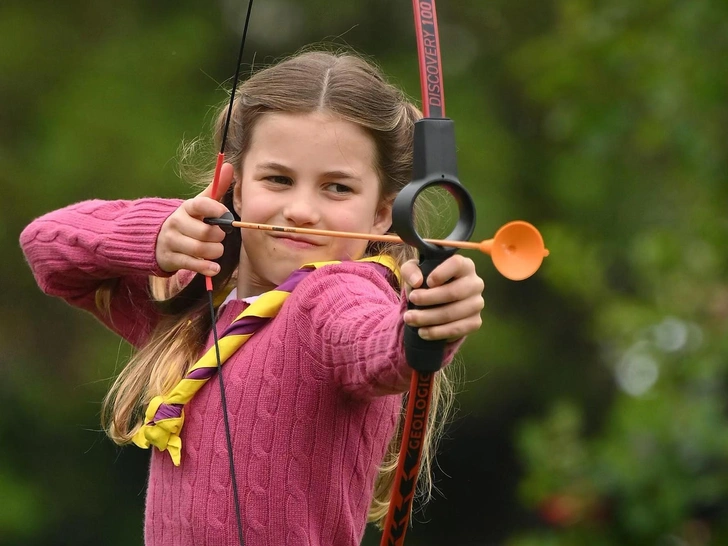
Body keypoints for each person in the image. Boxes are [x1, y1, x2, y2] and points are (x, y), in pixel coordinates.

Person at [20, 50, 485, 545]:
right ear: (236, 190)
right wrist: (157, 233)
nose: (302, 210)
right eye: (278, 179)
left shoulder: (334, 296)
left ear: (381, 215)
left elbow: (381, 348)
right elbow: (47, 246)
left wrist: (429, 320)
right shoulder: (194, 310)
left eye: (337, 188)